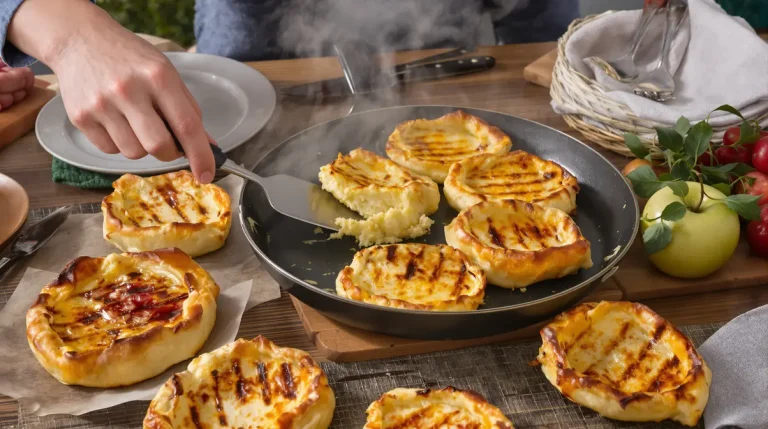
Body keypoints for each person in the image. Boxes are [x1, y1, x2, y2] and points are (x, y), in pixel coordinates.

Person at [0, 0, 578, 184]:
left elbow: (539, 25)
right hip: (247, 69)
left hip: (452, 52)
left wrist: (554, 57)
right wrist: (72, 35)